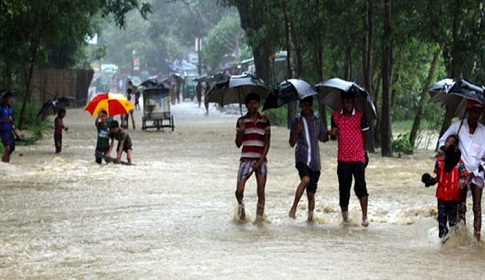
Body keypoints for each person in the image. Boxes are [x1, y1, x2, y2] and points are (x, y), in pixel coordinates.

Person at [439, 99, 485, 241]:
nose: (475, 114)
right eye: (473, 110)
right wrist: (449, 151)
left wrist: (474, 173)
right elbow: (442, 142)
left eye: (478, 111)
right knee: (461, 206)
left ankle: (477, 238)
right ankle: (462, 237)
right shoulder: (457, 127)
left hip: (477, 173)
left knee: (477, 207)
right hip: (460, 172)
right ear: (468, 110)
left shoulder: (483, 131)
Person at [329, 90, 370, 227]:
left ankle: (364, 217)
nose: (349, 104)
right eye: (347, 102)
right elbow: (333, 137)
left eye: (351, 102)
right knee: (344, 189)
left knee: (361, 186)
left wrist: (361, 149)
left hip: (358, 156)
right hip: (343, 158)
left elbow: (366, 135)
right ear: (342, 101)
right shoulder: (335, 116)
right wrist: (333, 134)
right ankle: (345, 218)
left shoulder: (360, 116)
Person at [288, 96, 329, 223]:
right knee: (305, 179)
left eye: (307, 105)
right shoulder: (297, 120)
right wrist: (297, 131)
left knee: (311, 193)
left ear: (311, 105)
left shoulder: (317, 119)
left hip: (315, 161)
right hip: (302, 157)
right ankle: (293, 208)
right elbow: (291, 142)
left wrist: (329, 133)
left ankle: (310, 219)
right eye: (303, 105)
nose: (305, 108)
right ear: (300, 106)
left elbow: (323, 138)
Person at [421, 135, 468, 239]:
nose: (449, 144)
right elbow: (438, 177)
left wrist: (462, 184)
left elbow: (464, 177)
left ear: (456, 146)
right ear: (444, 143)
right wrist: (430, 181)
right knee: (441, 220)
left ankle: (453, 243)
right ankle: (443, 243)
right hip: (441, 195)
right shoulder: (439, 161)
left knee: (452, 221)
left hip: (453, 195)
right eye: (448, 141)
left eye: (452, 143)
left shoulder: (459, 163)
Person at [235, 93, 271, 223]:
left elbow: (267, 143)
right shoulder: (241, 121)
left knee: (261, 191)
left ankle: (259, 220)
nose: (252, 106)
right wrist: (242, 131)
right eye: (250, 103)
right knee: (239, 191)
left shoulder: (265, 120)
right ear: (246, 105)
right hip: (246, 159)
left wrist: (260, 161)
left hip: (260, 159)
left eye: (255, 103)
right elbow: (238, 144)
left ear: (258, 104)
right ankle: (241, 209)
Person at [0, 91, 15, 162]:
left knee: (10, 149)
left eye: (9, 98)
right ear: (4, 99)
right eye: (7, 98)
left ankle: (7, 165)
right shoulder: (0, 108)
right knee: (7, 147)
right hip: (3, 131)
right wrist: (6, 119)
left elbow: (12, 120)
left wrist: (13, 125)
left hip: (9, 131)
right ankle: (3, 163)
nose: (8, 100)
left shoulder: (10, 109)